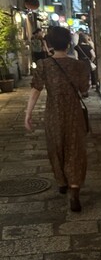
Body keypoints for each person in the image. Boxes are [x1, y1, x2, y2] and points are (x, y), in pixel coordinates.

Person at [24, 26, 90, 212]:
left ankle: (62, 181)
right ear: (68, 44)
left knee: (56, 147)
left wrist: (28, 113)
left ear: (49, 44)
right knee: (75, 149)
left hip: (53, 113)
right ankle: (74, 188)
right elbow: (84, 89)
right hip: (74, 114)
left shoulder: (44, 65)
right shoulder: (79, 65)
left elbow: (36, 90)